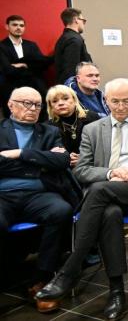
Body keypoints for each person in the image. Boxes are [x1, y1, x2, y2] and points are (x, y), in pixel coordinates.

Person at [36, 78, 128, 320]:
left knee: (98, 191)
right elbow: (82, 169)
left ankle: (71, 269)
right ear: (106, 101)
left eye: (126, 101)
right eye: (115, 101)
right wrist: (110, 173)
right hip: (106, 194)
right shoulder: (92, 129)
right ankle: (117, 291)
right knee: (110, 213)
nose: (120, 107)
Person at [0, 87, 76, 314]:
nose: (32, 109)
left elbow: (61, 160)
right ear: (11, 105)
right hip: (3, 195)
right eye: (26, 103)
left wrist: (19, 154)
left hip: (40, 194)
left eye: (37, 105)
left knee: (61, 210)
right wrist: (40, 161)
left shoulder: (49, 131)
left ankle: (42, 279)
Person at [0, 15, 52, 118]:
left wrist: (23, 64)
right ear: (7, 27)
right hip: (11, 89)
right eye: (14, 25)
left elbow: (42, 65)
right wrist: (30, 65)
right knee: (14, 119)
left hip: (35, 88)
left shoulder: (31, 45)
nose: (18, 28)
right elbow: (8, 70)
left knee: (39, 118)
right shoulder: (1, 46)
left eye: (21, 25)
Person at [46, 85, 100, 166]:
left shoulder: (92, 118)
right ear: (51, 106)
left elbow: (101, 147)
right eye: (55, 101)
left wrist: (84, 159)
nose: (60, 103)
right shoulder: (47, 127)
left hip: (92, 165)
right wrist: (65, 158)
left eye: (65, 98)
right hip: (64, 170)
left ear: (74, 100)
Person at [54, 8, 92, 85]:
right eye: (83, 20)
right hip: (73, 88)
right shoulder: (74, 40)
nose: (84, 24)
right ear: (76, 20)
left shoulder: (64, 38)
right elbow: (71, 70)